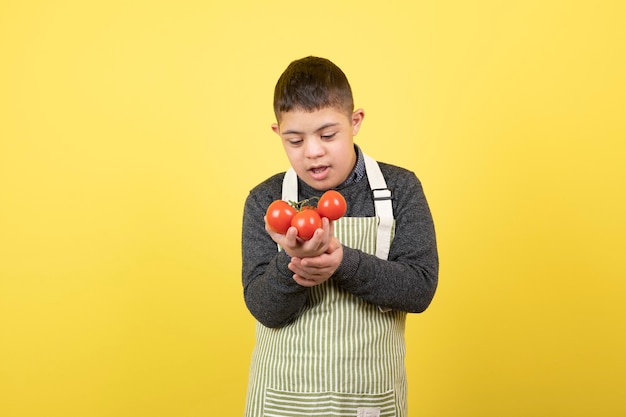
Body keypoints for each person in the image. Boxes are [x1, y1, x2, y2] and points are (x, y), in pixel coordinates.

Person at [241, 56, 438, 417]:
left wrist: (341, 261)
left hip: (369, 400)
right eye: (295, 140)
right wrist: (292, 261)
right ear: (277, 133)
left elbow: (420, 289)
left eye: (328, 134)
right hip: (284, 402)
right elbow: (264, 308)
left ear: (355, 121)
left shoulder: (400, 189)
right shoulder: (266, 202)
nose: (313, 151)